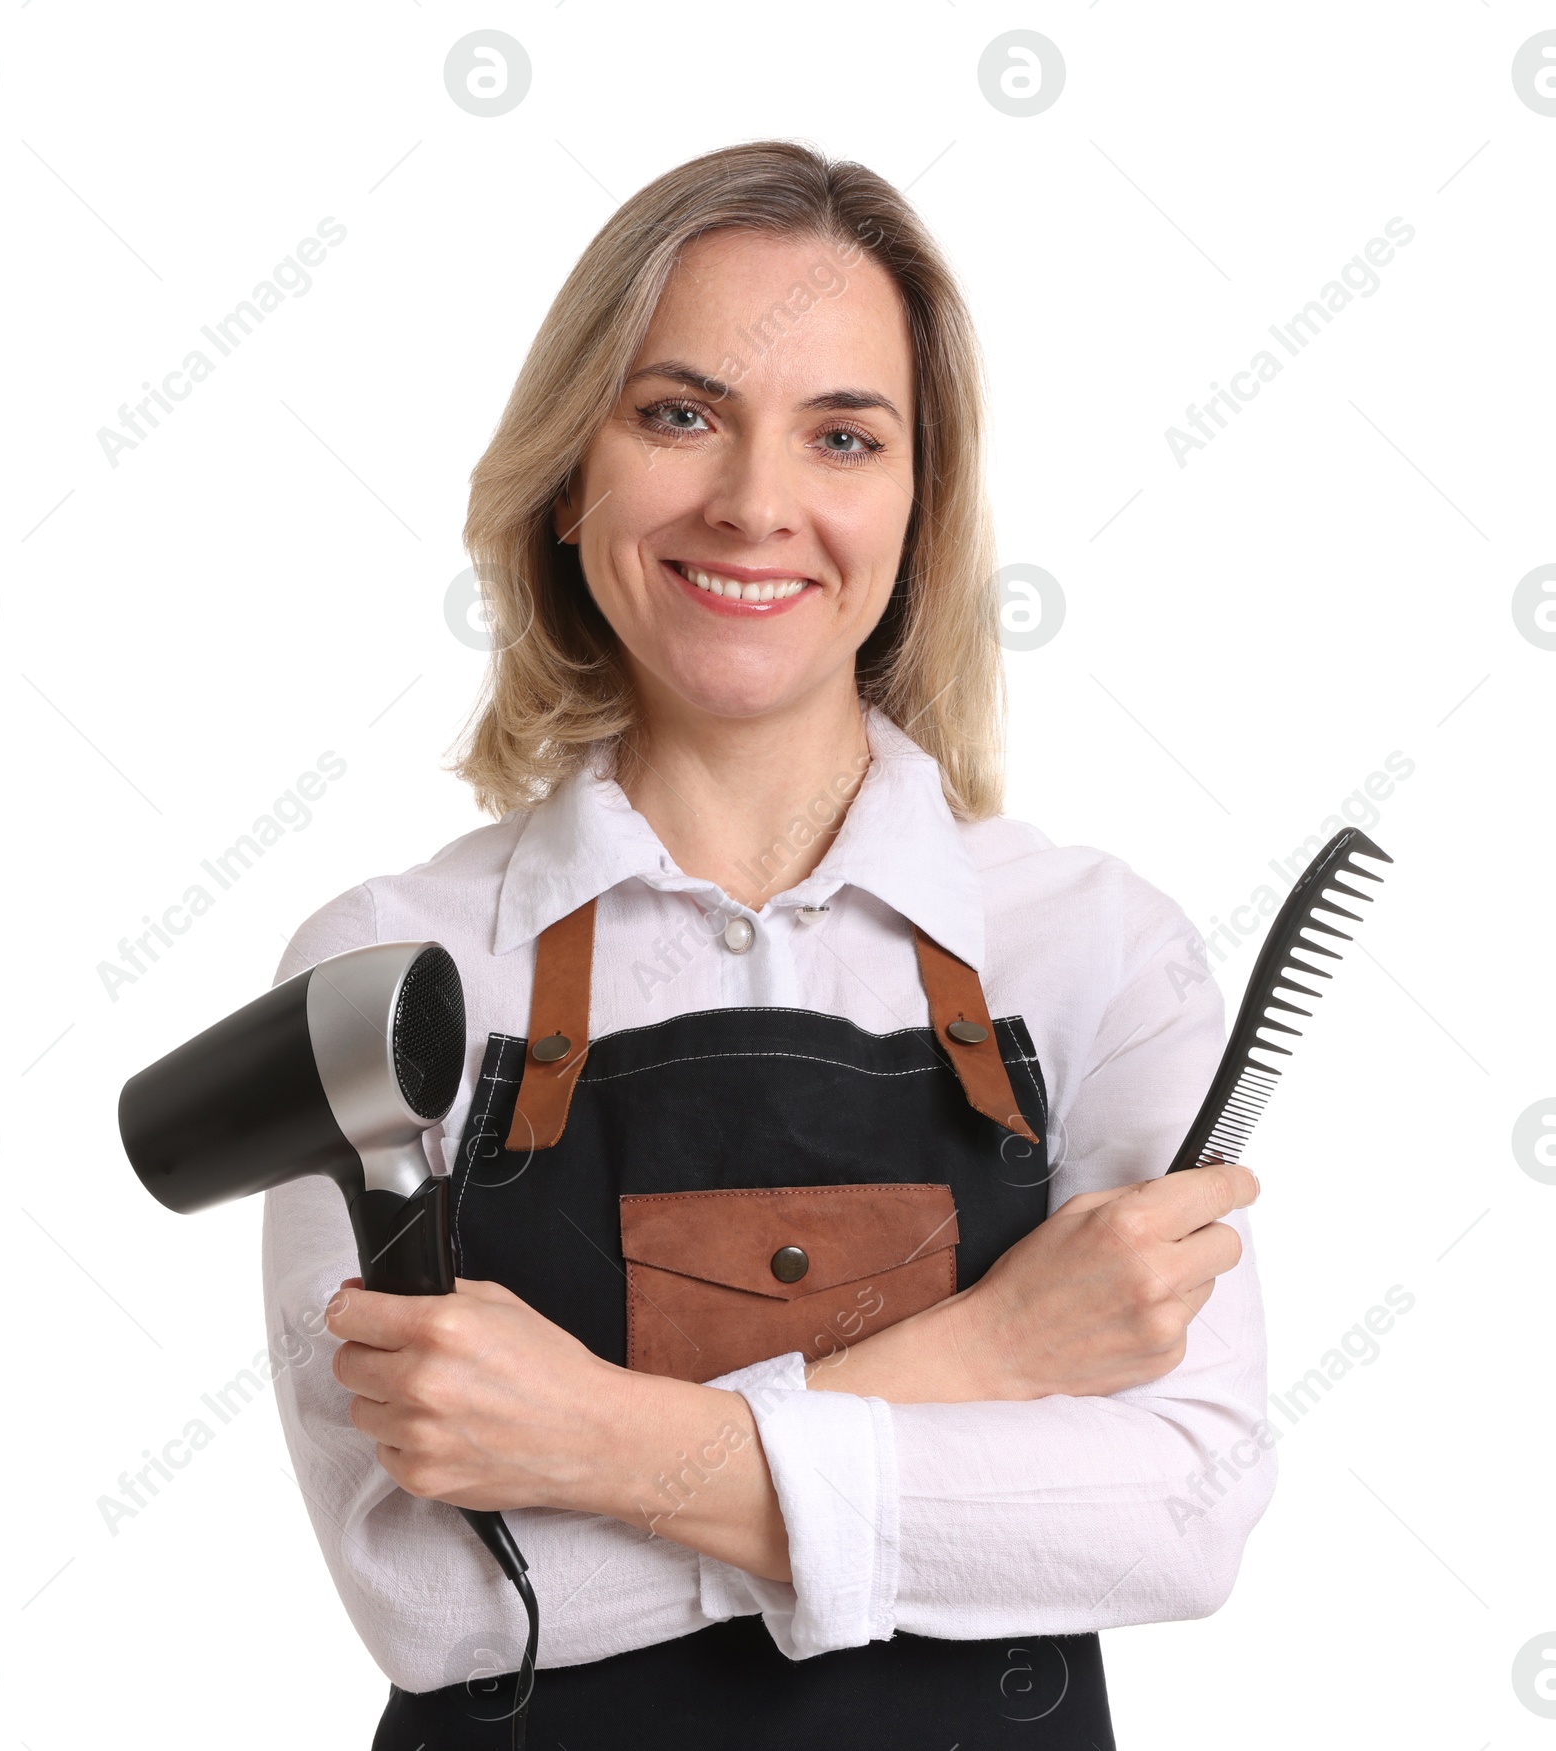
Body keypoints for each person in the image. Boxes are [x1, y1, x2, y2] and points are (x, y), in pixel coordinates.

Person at [263, 139, 1273, 1750]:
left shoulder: (1094, 953)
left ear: (917, 500)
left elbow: (1174, 1513)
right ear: (569, 469)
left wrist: (596, 1443)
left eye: (845, 435)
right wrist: (988, 1363)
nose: (755, 502)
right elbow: (438, 1599)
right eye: (679, 414)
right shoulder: (386, 976)